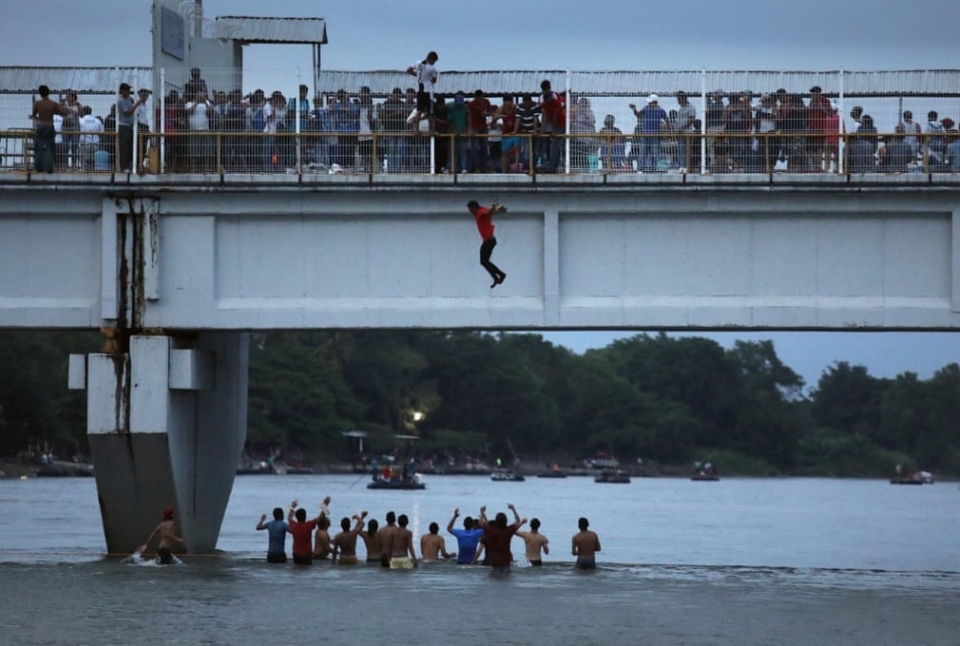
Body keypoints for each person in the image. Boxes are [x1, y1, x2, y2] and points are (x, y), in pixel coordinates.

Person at [467, 200, 507, 288]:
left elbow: (486, 213)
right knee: (484, 261)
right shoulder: (482, 209)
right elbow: (489, 213)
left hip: (489, 240)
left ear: (474, 208)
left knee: (483, 261)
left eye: (470, 210)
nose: (470, 212)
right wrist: (498, 211)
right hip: (489, 240)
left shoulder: (480, 212)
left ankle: (499, 276)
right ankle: (498, 276)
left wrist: (494, 209)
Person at [477, 503, 523, 573]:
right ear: (506, 521)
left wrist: (482, 512)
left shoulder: (491, 531)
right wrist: (513, 509)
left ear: (496, 521)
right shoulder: (508, 531)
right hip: (506, 563)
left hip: (494, 563)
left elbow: (481, 523)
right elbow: (518, 521)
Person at [117, 83, 149, 173]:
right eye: (126, 90)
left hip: (131, 126)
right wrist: (137, 104)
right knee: (124, 146)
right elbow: (128, 112)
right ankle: (123, 166)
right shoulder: (121, 101)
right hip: (124, 125)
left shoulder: (130, 99)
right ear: (122, 91)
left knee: (131, 146)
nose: (128, 92)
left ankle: (130, 165)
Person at [31, 85, 62, 173]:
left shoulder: (37, 103)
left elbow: (34, 114)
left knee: (39, 147)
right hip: (50, 125)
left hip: (40, 125)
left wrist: (36, 118)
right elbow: (59, 112)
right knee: (49, 147)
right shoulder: (53, 103)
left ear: (40, 93)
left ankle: (38, 166)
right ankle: (49, 168)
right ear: (48, 92)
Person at [406, 51, 439, 130]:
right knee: (431, 112)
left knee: (419, 111)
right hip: (428, 91)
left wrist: (417, 75)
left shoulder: (418, 63)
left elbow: (408, 70)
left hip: (420, 90)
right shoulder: (432, 68)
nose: (434, 63)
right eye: (434, 61)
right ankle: (431, 130)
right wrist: (428, 78)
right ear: (432, 59)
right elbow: (434, 80)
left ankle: (416, 129)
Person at [287, 500, 320, 565]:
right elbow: (320, 517)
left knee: (296, 569)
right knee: (307, 570)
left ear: (296, 517)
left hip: (296, 552)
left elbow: (289, 517)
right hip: (307, 553)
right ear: (305, 516)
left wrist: (292, 507)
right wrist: (324, 506)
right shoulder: (309, 525)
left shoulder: (294, 525)